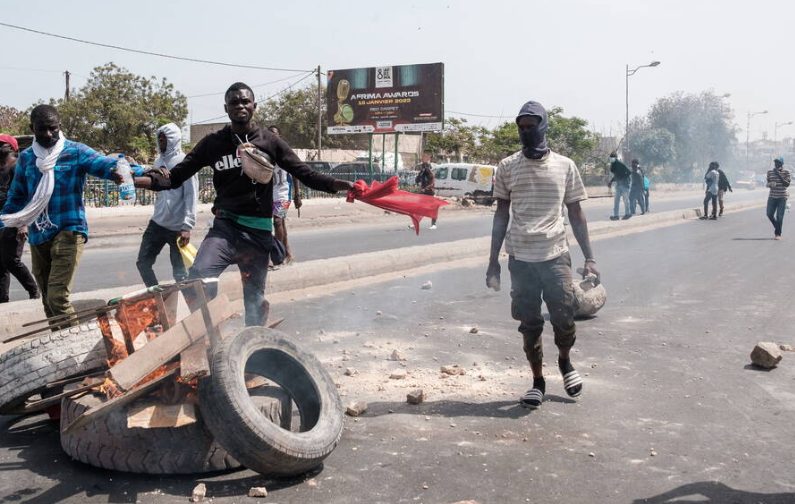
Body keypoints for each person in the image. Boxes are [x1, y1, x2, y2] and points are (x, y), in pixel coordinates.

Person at [133, 82, 354, 326]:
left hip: (258, 233)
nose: (240, 105)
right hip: (225, 229)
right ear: (226, 108)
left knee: (254, 301)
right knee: (197, 281)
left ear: (254, 106)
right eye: (234, 102)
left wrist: (346, 185)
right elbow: (174, 178)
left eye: (245, 101)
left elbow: (307, 175)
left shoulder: (269, 142)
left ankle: (255, 351)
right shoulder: (212, 143)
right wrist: (136, 180)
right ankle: (211, 332)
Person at [486, 100, 600, 410]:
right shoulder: (507, 167)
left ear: (544, 126)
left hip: (555, 255)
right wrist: (493, 260)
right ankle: (537, 381)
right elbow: (501, 215)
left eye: (532, 126)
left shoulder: (565, 165)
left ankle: (564, 361)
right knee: (529, 322)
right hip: (521, 258)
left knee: (564, 318)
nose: (527, 132)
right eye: (521, 128)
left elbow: (576, 213)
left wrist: (590, 258)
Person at [0, 105, 124, 322]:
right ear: (33, 128)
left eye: (53, 128)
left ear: (59, 127)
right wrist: (5, 221)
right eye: (42, 129)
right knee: (48, 300)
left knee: (58, 297)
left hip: (69, 229)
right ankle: (59, 347)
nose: (48, 134)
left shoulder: (75, 151)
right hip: (38, 234)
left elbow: (105, 165)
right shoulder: (28, 159)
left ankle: (73, 345)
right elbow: (17, 196)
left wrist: (136, 172)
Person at [135, 123, 198, 287]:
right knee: (143, 263)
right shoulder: (158, 161)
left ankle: (195, 309)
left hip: (177, 228)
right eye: (159, 139)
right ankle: (159, 301)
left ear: (174, 140)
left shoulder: (185, 162)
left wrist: (187, 226)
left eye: (165, 139)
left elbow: (191, 195)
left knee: (180, 274)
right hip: (157, 223)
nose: (161, 142)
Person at [0, 134, 38, 302]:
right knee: (0, 265)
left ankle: (34, 291)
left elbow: (27, 196)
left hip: (15, 221)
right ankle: (2, 300)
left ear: (10, 148)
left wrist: (23, 224)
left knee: (11, 260)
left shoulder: (18, 167)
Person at [267, 125, 301, 264]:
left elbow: (295, 173)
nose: (272, 137)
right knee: (276, 225)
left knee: (277, 221)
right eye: (270, 134)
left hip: (283, 194)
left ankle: (278, 255)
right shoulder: (263, 153)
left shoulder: (285, 153)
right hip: (268, 195)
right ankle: (288, 253)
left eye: (275, 134)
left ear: (279, 136)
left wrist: (297, 195)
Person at [766, 157, 790, 240]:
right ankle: (778, 227)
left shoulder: (786, 172)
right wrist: (769, 184)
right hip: (772, 197)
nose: (776, 164)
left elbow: (787, 184)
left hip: (782, 197)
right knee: (769, 214)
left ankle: (778, 234)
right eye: (775, 162)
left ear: (782, 164)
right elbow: (768, 182)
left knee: (780, 217)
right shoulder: (769, 172)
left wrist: (778, 174)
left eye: (778, 162)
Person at [415, 153, 437, 229]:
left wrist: (425, 188)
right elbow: (416, 181)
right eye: (423, 167)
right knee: (420, 209)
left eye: (425, 167)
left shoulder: (431, 174)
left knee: (433, 209)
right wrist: (420, 173)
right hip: (424, 194)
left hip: (430, 194)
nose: (424, 168)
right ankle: (416, 223)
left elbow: (432, 184)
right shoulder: (422, 174)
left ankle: (433, 224)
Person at [607, 151, 631, 220]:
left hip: (624, 185)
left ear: (616, 157)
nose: (611, 158)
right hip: (618, 185)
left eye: (613, 157)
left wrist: (622, 178)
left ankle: (627, 214)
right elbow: (616, 175)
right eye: (611, 157)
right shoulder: (613, 165)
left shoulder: (621, 164)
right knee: (616, 201)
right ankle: (616, 216)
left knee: (626, 200)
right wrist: (611, 182)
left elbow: (629, 172)